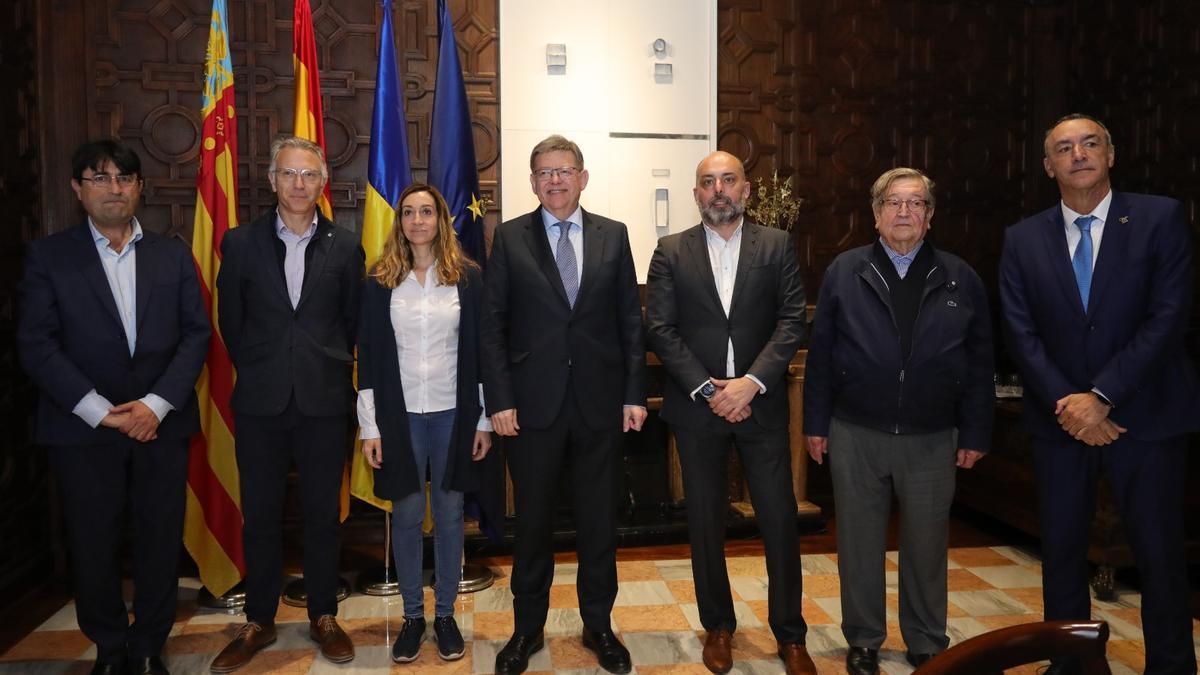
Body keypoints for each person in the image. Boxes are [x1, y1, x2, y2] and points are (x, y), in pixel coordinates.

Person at [1000, 114, 1198, 675]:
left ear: (1111, 154)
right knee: (1060, 555)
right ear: (1048, 166)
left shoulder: (1160, 218)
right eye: (1064, 148)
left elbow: (1169, 317)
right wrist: (1072, 403)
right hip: (1061, 421)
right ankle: (1073, 665)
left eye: (1090, 144)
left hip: (1149, 415)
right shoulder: (1022, 238)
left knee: (1159, 554)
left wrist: (1103, 395)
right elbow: (1020, 331)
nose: (1078, 154)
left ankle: (1172, 665)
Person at [17, 139, 210, 675]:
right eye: (99, 178)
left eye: (124, 178)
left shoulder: (171, 255)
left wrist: (154, 405)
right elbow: (36, 343)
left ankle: (149, 645)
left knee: (158, 539)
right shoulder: (50, 256)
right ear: (77, 188)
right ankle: (108, 645)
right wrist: (99, 410)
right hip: (84, 430)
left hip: (159, 426)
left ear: (139, 187)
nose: (114, 188)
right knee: (93, 541)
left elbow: (196, 335)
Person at [803, 167, 994, 674]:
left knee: (927, 545)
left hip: (932, 436)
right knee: (859, 545)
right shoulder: (845, 270)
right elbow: (820, 356)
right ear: (875, 214)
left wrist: (975, 430)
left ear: (930, 217)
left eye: (915, 203)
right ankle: (863, 639)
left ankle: (927, 638)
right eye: (893, 202)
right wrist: (815, 425)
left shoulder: (960, 277)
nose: (903, 212)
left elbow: (980, 362)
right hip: (855, 431)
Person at [480, 135, 646, 675]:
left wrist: (633, 394)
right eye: (545, 172)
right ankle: (527, 629)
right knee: (531, 525)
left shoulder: (614, 236)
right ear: (532, 182)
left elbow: (629, 323)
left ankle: (598, 625)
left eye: (565, 170)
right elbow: (492, 329)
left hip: (599, 406)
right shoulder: (508, 238)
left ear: (583, 177)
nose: (556, 180)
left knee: (600, 524)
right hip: (531, 410)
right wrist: (499, 400)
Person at [645, 150, 813, 675]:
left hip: (759, 405)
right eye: (707, 182)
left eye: (728, 180)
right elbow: (660, 328)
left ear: (746, 189)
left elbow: (791, 320)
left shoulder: (777, 244)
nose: (719, 189)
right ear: (697, 194)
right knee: (704, 522)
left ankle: (791, 634)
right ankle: (718, 626)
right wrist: (706, 388)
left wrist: (750, 383)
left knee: (780, 519)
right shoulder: (671, 250)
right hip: (698, 410)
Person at [210, 137, 363, 672]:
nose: (300, 185)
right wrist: (265, 364)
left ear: (323, 184)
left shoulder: (345, 247)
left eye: (310, 176)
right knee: (261, 516)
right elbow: (232, 323)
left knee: (325, 515)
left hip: (322, 401)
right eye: (290, 175)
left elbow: (352, 322)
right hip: (261, 401)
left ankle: (323, 614)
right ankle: (259, 619)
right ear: (273, 180)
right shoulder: (240, 243)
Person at [356, 183, 493, 664]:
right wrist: (370, 427)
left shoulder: (468, 278)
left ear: (441, 220)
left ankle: (446, 614)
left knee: (452, 514)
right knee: (410, 516)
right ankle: (414, 616)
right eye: (409, 212)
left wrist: (483, 421)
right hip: (400, 417)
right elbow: (369, 359)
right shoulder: (379, 281)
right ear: (400, 223)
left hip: (454, 413)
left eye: (427, 212)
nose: (418, 220)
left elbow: (480, 355)